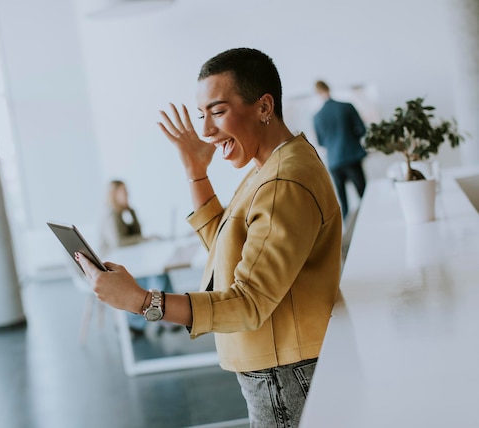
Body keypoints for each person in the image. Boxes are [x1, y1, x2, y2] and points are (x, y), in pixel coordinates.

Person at [77, 48, 342, 427]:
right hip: (280, 369)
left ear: (264, 106)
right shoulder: (273, 166)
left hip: (284, 372)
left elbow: (249, 302)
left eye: (217, 111)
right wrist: (195, 170)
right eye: (202, 115)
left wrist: (141, 301)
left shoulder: (282, 180)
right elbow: (226, 245)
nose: (205, 130)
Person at [99, 179, 174, 337]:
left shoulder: (124, 213)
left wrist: (131, 212)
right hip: (114, 264)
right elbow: (118, 243)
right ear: (114, 195)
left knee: (158, 270)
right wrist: (143, 239)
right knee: (153, 273)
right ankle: (145, 320)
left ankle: (166, 313)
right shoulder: (110, 215)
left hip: (129, 259)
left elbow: (137, 234)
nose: (128, 195)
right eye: (124, 192)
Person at [313, 80, 367, 220]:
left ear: (317, 93)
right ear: (329, 88)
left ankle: (347, 236)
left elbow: (321, 142)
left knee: (343, 203)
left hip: (334, 162)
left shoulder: (317, 116)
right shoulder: (346, 107)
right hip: (351, 156)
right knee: (364, 195)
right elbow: (362, 130)